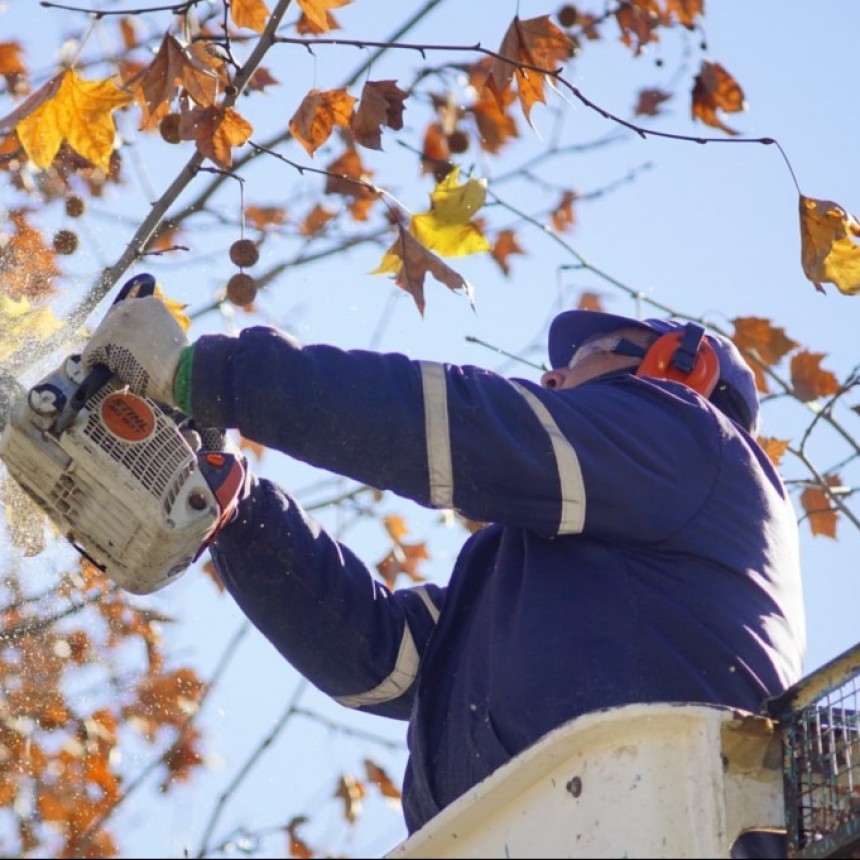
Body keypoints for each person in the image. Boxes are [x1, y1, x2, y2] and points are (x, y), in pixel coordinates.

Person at [81, 291, 806, 850]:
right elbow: (382, 658)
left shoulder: (691, 442)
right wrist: (234, 513)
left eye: (591, 354)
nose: (552, 374)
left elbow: (467, 428)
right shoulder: (529, 574)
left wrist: (211, 376)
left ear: (681, 366)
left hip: (656, 824)